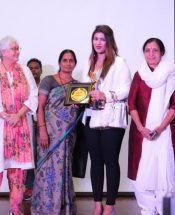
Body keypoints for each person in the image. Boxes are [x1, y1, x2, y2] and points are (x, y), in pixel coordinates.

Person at [0, 36, 38, 215]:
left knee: (18, 173)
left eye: (18, 48)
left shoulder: (25, 71)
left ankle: (15, 209)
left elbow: (33, 95)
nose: (18, 51)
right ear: (3, 52)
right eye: (14, 49)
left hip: (20, 129)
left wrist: (18, 115)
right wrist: (6, 116)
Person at [80, 25, 131, 215]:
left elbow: (127, 88)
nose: (98, 43)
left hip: (112, 121)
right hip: (92, 120)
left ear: (109, 41)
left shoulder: (119, 62)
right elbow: (85, 89)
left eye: (102, 39)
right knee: (96, 162)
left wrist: (106, 95)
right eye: (95, 39)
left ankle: (110, 205)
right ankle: (97, 204)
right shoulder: (88, 63)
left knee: (110, 162)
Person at [128, 38, 175, 215]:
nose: (151, 54)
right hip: (143, 134)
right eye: (147, 50)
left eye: (155, 50)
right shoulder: (140, 74)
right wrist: (141, 128)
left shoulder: (171, 73)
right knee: (142, 178)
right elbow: (131, 104)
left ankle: (168, 212)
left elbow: (174, 106)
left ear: (162, 52)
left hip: (166, 133)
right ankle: (147, 211)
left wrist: (160, 127)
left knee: (166, 179)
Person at [31, 49, 79, 215]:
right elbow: (40, 107)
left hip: (66, 137)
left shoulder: (78, 86)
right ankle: (44, 208)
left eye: (71, 60)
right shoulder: (48, 81)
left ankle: (63, 208)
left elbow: (77, 111)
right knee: (46, 170)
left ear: (75, 63)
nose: (68, 63)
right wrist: (42, 131)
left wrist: (76, 107)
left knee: (64, 170)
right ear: (59, 63)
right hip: (49, 135)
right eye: (64, 60)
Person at [23, 58, 42, 201]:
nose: (33, 70)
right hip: (28, 126)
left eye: (36, 68)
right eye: (31, 68)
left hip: (43, 128)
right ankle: (29, 186)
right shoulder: (24, 87)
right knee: (29, 157)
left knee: (42, 156)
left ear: (41, 70)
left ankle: (42, 186)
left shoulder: (46, 86)